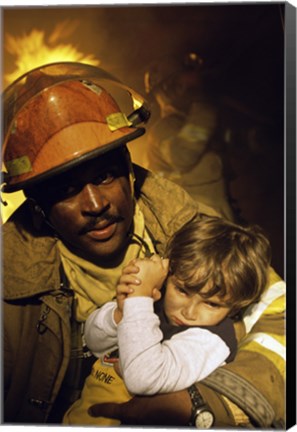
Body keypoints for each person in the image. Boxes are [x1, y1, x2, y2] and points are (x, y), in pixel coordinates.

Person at [2, 62, 285, 428]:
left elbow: (282, 313)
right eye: (65, 190)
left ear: (130, 171)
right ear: (38, 207)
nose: (94, 204)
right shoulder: (9, 280)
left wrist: (205, 402)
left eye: (103, 176)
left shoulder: (191, 230)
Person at [63, 216, 271, 426]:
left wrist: (139, 298)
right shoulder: (151, 304)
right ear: (167, 274)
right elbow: (94, 342)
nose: (189, 312)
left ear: (235, 307)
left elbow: (143, 379)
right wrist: (120, 312)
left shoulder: (209, 342)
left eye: (211, 304)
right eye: (182, 290)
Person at [144, 52, 235, 221]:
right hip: (198, 227)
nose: (194, 88)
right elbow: (182, 155)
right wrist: (203, 107)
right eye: (186, 84)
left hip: (216, 222)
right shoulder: (165, 128)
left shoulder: (193, 123)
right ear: (171, 87)